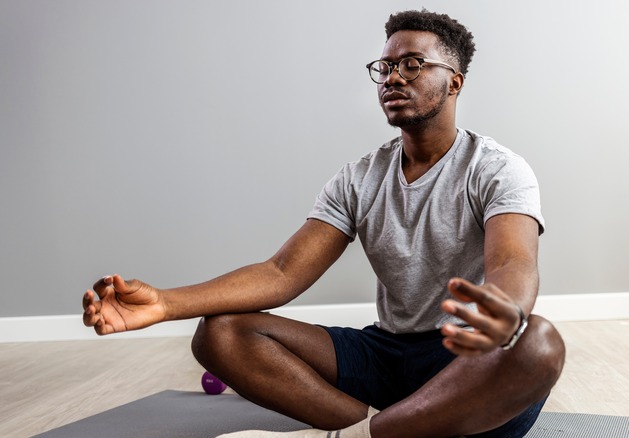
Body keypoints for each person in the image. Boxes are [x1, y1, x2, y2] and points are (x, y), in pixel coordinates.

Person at [82, 9, 565, 438]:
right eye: (386, 67)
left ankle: (374, 432)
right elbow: (281, 274)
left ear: (455, 81)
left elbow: (513, 261)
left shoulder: (497, 168)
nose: (394, 77)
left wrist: (508, 312)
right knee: (220, 332)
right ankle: (372, 430)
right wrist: (166, 304)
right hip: (388, 352)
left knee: (540, 344)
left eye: (413, 64)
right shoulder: (358, 178)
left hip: (465, 357)